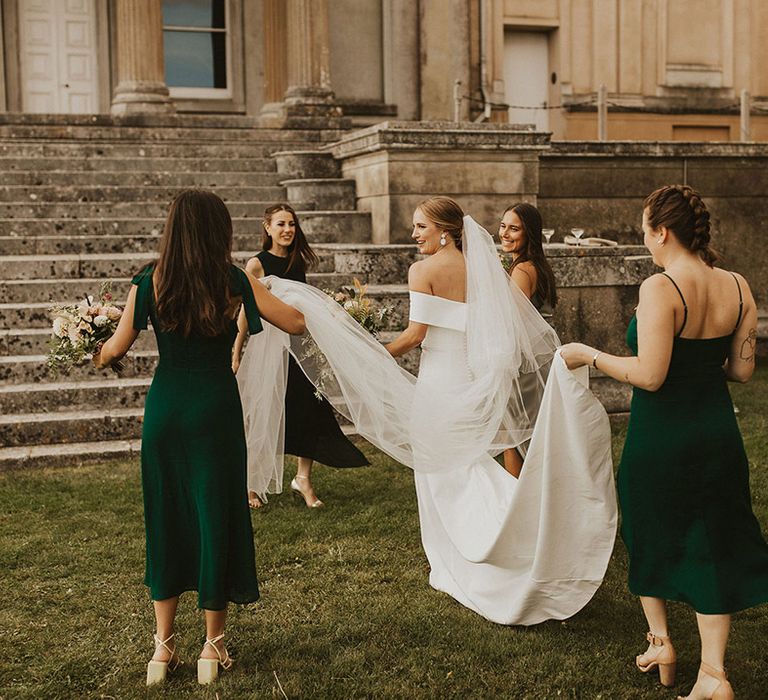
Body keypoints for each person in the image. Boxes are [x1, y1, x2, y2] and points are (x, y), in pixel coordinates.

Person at [239, 195, 617, 625]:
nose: (414, 234)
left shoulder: (422, 270)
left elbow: (416, 334)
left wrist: (376, 351)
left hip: (439, 378)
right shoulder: (483, 268)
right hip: (467, 372)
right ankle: (508, 533)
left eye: (420, 227)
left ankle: (463, 557)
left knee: (440, 470)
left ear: (443, 230)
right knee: (466, 464)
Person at [561, 185, 768, 699]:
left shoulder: (661, 288)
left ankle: (666, 644)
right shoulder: (739, 285)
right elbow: (742, 370)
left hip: (663, 435)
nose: (646, 241)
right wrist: (701, 364)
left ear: (663, 231)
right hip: (717, 431)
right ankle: (709, 670)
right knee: (711, 539)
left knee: (649, 527)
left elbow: (650, 376)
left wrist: (588, 354)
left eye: (646, 230)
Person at [93, 190, 305, 686]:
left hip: (166, 409)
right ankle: (213, 648)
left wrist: (93, 349)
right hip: (215, 410)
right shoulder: (233, 279)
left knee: (166, 515)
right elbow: (294, 322)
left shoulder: (150, 280)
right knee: (216, 514)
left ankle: (161, 651)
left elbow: (118, 347)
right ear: (219, 231)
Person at [233, 203, 368, 509]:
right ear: (267, 227)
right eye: (281, 224)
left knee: (310, 410)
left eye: (291, 224)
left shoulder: (298, 262)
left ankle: (303, 478)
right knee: (263, 409)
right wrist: (237, 347)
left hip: (300, 349)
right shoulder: (257, 264)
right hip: (268, 349)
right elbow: (245, 309)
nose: (287, 230)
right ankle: (251, 482)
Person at [498, 202, 558, 477]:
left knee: (516, 436)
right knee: (528, 434)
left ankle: (517, 503)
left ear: (529, 233)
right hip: (537, 358)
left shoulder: (522, 271)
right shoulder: (536, 266)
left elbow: (514, 325)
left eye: (514, 229)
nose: (505, 234)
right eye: (503, 226)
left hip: (523, 362)